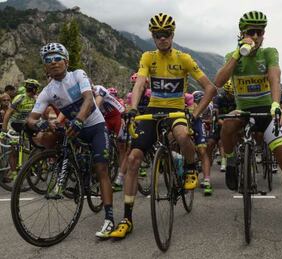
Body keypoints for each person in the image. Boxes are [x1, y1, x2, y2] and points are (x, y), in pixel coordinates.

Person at [109, 13, 217, 239]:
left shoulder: (184, 59)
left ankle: (189, 169)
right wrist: (132, 107)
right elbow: (139, 83)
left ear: (172, 35)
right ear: (153, 36)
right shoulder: (148, 57)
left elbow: (210, 89)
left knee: (182, 134)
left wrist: (196, 115)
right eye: (158, 35)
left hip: (176, 111)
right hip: (152, 112)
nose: (162, 39)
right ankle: (126, 219)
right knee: (132, 159)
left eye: (166, 34)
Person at [215, 10, 282, 236]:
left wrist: (275, 104)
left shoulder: (269, 53)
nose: (255, 36)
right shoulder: (232, 56)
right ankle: (232, 162)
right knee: (227, 126)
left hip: (267, 110)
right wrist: (237, 53)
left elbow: (274, 76)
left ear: (264, 34)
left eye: (259, 32)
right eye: (250, 32)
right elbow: (219, 81)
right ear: (242, 33)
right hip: (243, 110)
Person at [26, 42, 116, 238]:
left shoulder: (78, 75)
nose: (53, 62)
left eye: (57, 58)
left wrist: (79, 121)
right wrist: (39, 125)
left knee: (101, 169)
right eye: (48, 60)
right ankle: (69, 170)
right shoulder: (48, 91)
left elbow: (89, 99)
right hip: (74, 130)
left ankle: (109, 218)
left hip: (94, 127)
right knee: (45, 136)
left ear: (66, 61)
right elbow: (31, 118)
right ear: (45, 67)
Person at [207, 80, 236, 172]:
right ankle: (208, 160)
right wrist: (223, 123)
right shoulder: (218, 98)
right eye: (231, 93)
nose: (233, 95)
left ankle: (225, 162)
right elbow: (215, 115)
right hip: (220, 123)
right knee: (210, 143)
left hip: (232, 123)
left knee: (221, 142)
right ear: (227, 92)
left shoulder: (236, 98)